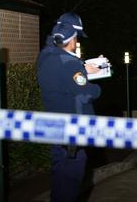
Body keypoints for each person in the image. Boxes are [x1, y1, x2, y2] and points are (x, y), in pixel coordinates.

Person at [37, 21, 101, 202]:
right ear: (72, 39)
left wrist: (83, 69)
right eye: (76, 38)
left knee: (60, 180)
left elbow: (65, 81)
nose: (77, 42)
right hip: (72, 134)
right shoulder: (70, 63)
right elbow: (88, 92)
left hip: (56, 128)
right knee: (69, 183)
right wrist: (94, 83)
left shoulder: (45, 56)